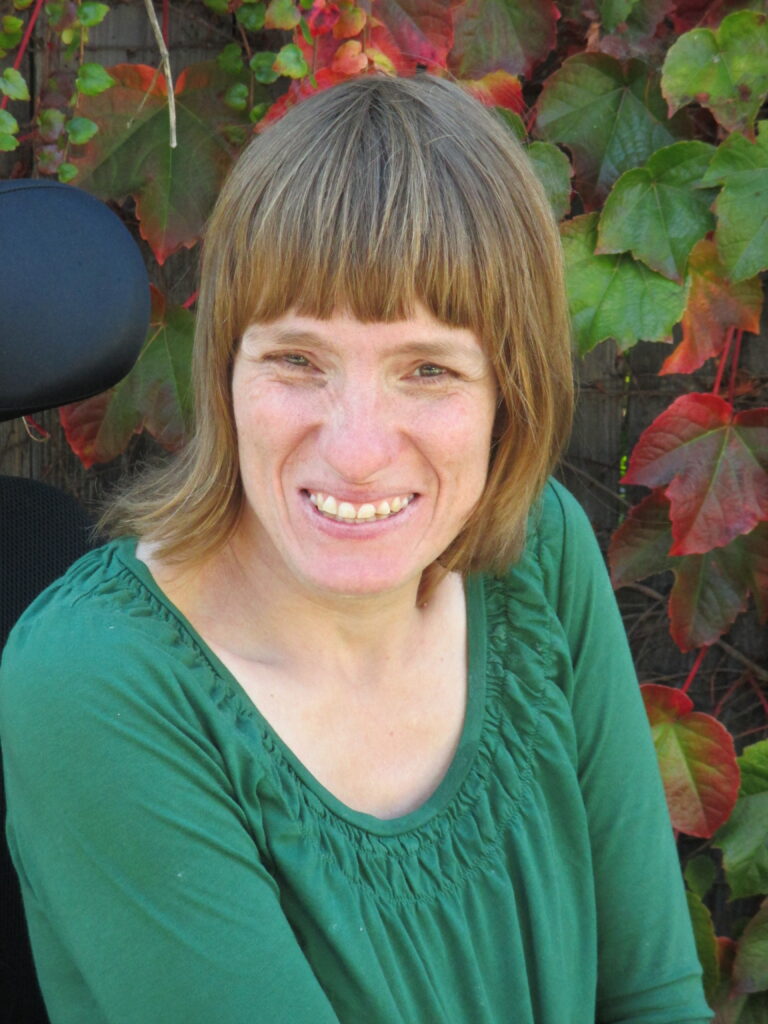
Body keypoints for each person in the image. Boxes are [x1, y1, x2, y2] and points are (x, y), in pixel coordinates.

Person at [0, 74, 710, 1023]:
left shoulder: (536, 552)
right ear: (226, 374)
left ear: (512, 392)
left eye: (429, 370)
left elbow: (652, 999)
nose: (358, 448)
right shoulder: (94, 678)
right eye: (298, 360)